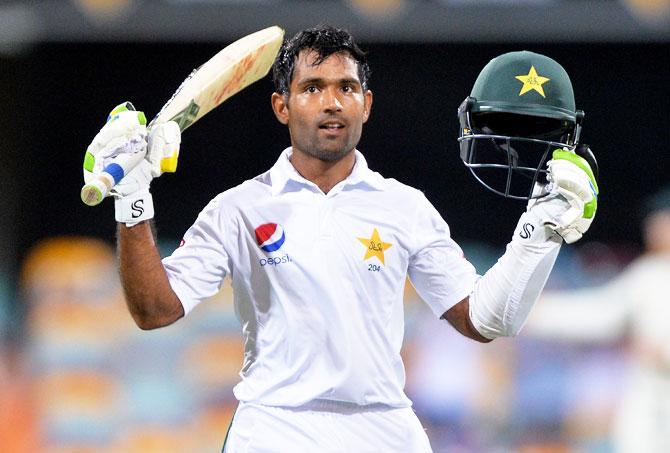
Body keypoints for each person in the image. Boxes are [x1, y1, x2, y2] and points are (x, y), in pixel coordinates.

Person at [82, 26, 598, 452]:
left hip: (382, 426)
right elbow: (154, 311)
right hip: (275, 426)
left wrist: (542, 227)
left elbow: (488, 320)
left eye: (346, 88)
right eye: (312, 88)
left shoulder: (405, 207)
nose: (332, 102)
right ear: (281, 106)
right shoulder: (237, 208)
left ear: (366, 104)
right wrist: (133, 195)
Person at [524, 185, 670, 453]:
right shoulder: (649, 276)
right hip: (649, 402)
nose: (656, 232)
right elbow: (600, 313)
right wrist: (534, 313)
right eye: (655, 225)